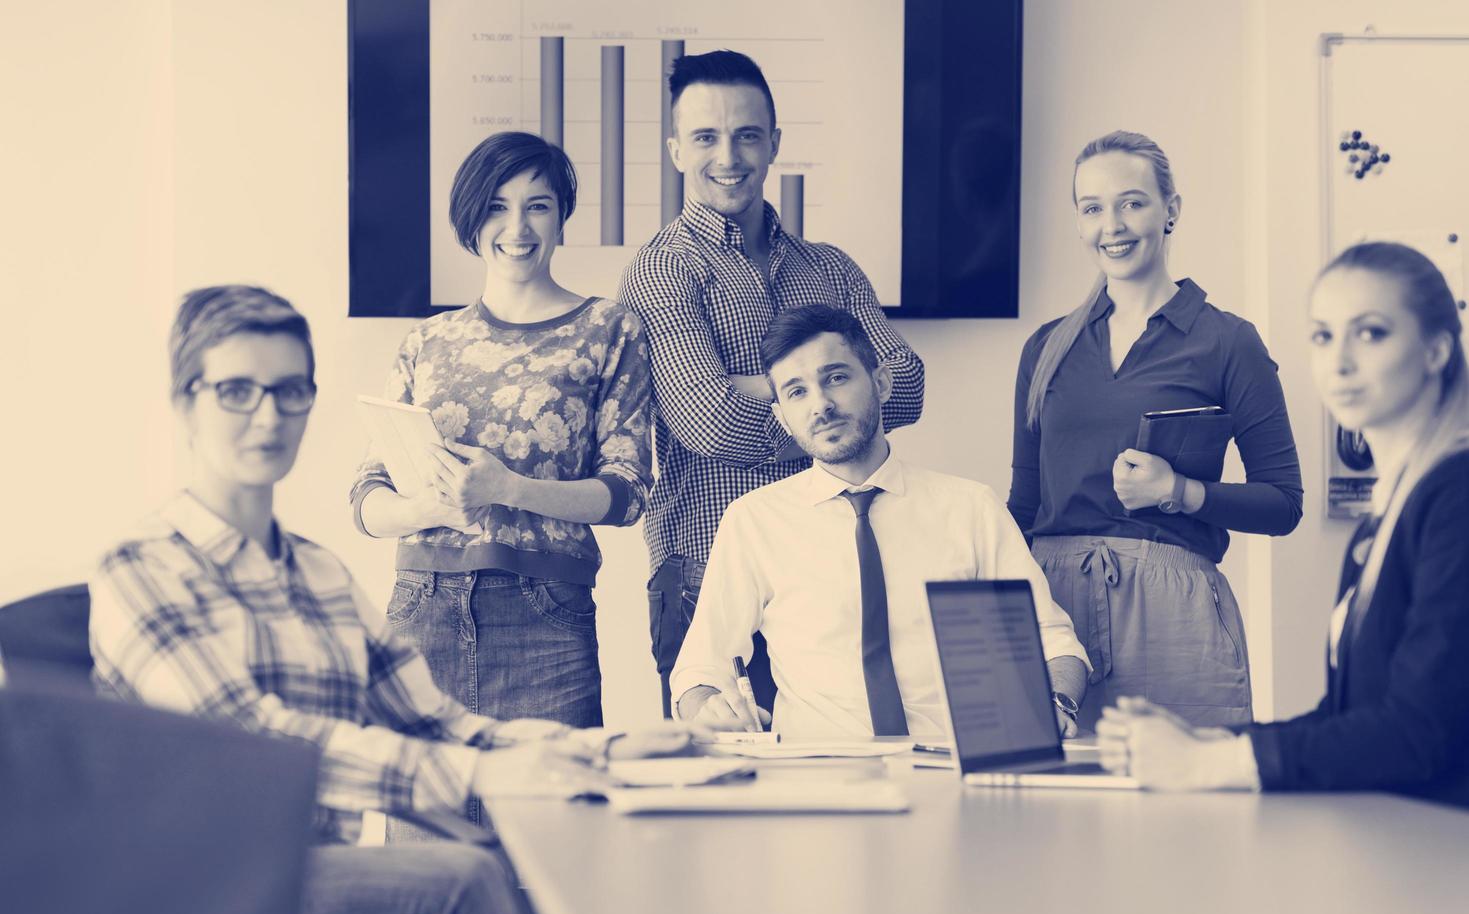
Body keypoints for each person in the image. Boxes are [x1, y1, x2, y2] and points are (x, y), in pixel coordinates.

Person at [90, 285, 697, 914]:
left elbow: (437, 723)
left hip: (312, 882)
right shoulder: (143, 566)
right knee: (465, 880)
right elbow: (256, 744)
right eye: (236, 391)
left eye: (290, 390)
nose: (268, 415)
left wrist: (606, 750)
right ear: (184, 403)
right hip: (199, 892)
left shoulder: (317, 574)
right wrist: (482, 774)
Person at [1099, 242, 1469, 806]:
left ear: (1436, 351)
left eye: (1370, 333)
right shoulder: (1389, 515)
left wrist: (1209, 762)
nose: (1339, 362)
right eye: (1323, 336)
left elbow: (1418, 734)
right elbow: (1349, 720)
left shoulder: (1456, 496)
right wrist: (1204, 739)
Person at [618, 50, 925, 715]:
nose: (727, 155)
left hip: (824, 581)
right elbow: (711, 423)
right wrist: (839, 401)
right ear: (676, 151)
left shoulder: (831, 269)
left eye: (746, 135)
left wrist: (756, 387)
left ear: (773, 143)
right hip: (702, 576)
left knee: (833, 792)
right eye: (705, 137)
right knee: (717, 802)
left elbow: (909, 382)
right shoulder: (662, 271)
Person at [350, 132, 651, 758]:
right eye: (497, 206)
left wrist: (509, 490)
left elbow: (627, 494)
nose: (517, 226)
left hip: (546, 618)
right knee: (427, 848)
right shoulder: (426, 343)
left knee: (550, 842)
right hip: (419, 613)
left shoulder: (608, 329)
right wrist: (433, 509)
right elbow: (367, 500)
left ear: (561, 217)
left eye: (537, 205)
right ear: (470, 219)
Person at [671, 305, 1088, 738]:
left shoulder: (971, 509)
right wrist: (709, 707)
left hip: (950, 768)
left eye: (836, 377)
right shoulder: (754, 521)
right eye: (797, 392)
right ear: (782, 417)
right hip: (816, 774)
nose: (821, 405)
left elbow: (1053, 642)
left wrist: (1056, 704)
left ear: (882, 382)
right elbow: (699, 669)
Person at [1008, 130, 1302, 731]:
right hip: (1055, 611)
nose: (1112, 224)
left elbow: (1284, 503)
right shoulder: (1046, 348)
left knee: (1186, 815)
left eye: (1132, 202)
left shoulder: (1227, 341)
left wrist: (1181, 491)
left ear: (1171, 209)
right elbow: (1023, 507)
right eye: (1092, 208)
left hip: (1176, 617)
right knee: (1051, 814)